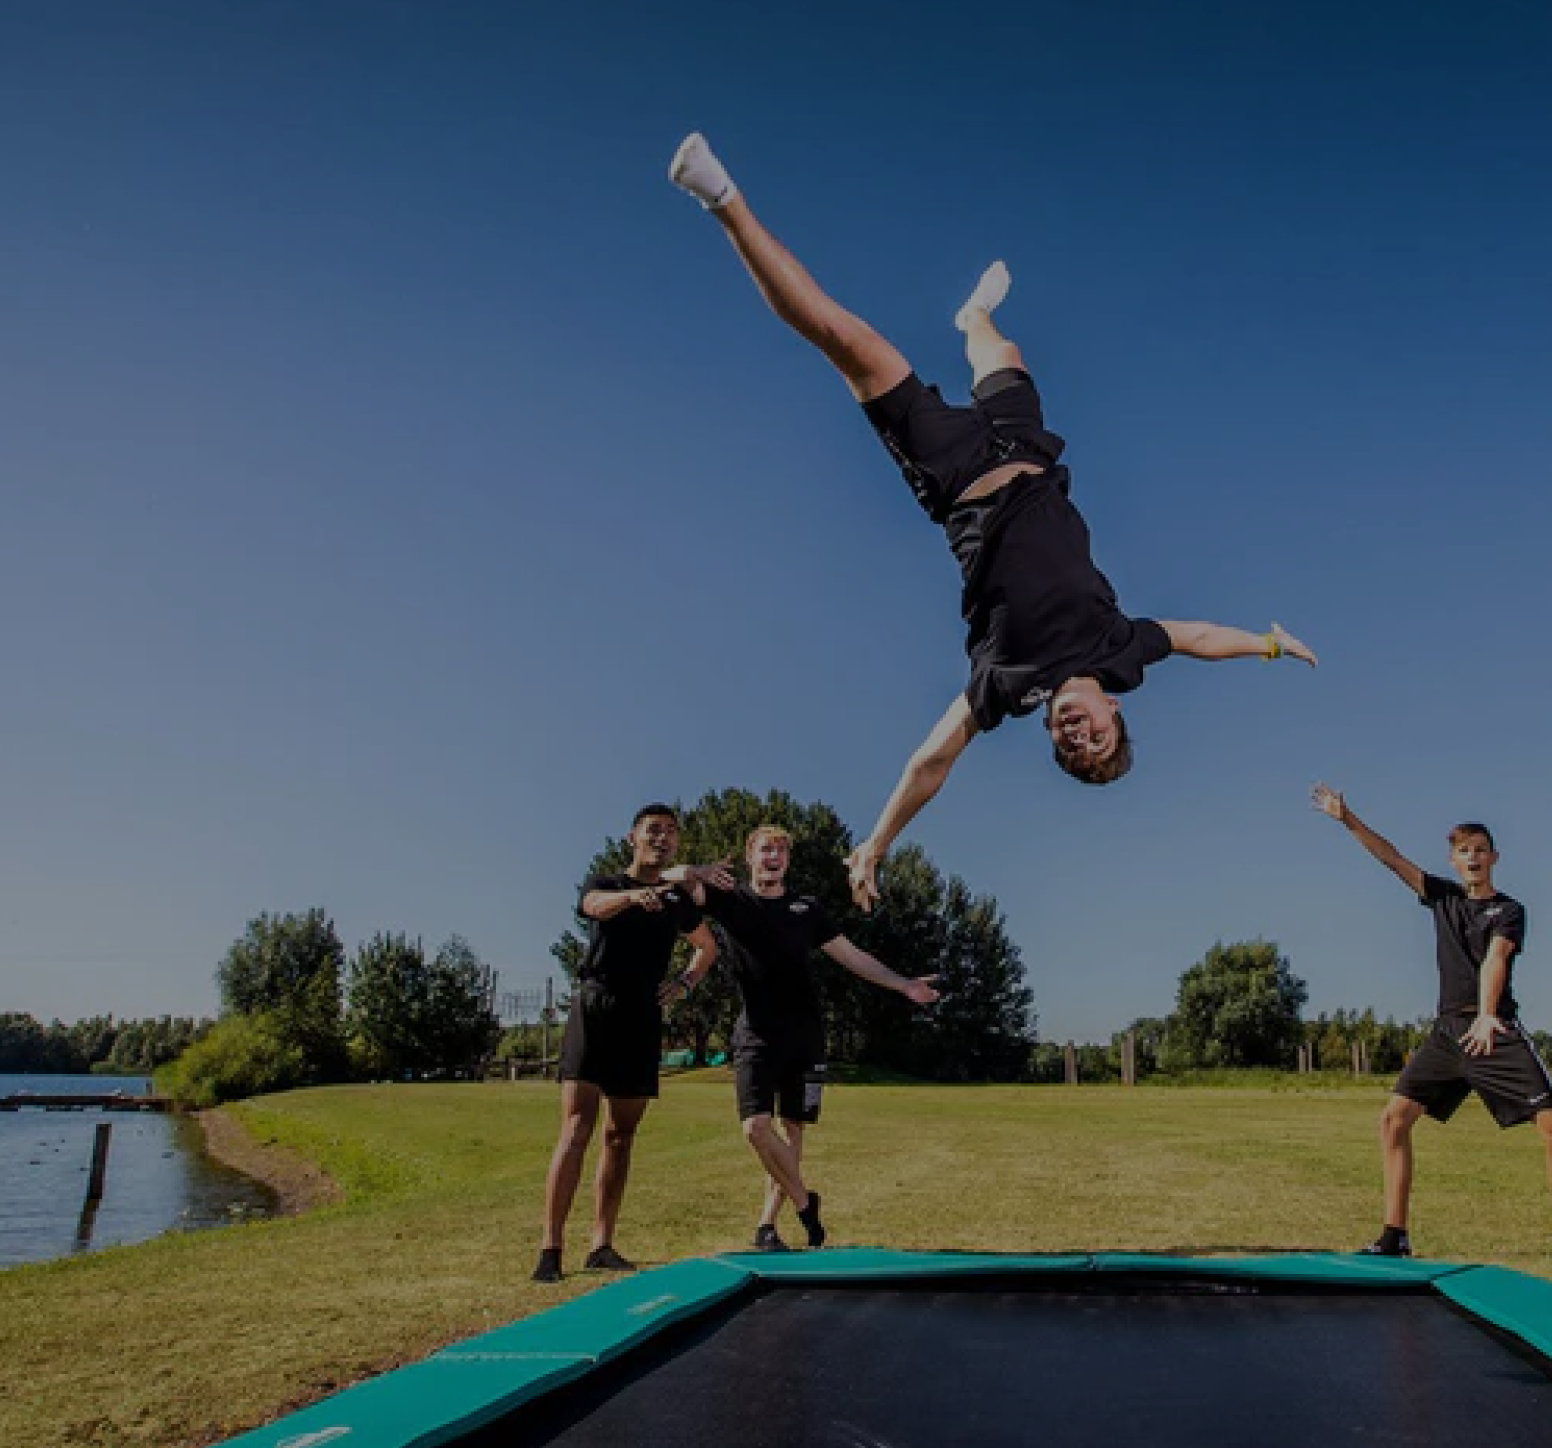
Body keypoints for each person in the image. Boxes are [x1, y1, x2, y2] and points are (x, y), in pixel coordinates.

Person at [667, 132, 1318, 912]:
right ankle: (971, 313)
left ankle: (721, 199)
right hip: (1023, 450)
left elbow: (930, 764)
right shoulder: (1122, 650)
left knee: (844, 341)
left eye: (1069, 749)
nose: (1078, 737)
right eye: (1096, 740)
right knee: (997, 346)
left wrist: (877, 842)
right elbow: (1199, 637)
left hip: (955, 475)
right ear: (1116, 711)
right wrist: (1271, 644)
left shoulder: (1003, 688)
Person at [1309, 784, 1552, 1268]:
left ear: (1494, 857)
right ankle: (1394, 1235)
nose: (1471, 858)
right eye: (1462, 851)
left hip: (1495, 1030)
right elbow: (1390, 859)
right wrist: (1348, 818)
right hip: (1448, 1034)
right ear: (1452, 861)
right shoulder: (1442, 898)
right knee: (1393, 1120)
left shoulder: (1509, 911)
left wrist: (1489, 1014)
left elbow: (1496, 958)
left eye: (1478, 850)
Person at [676, 824, 940, 1250]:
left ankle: (767, 1225)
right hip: (756, 1034)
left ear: (787, 861)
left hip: (804, 1035)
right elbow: (673, 879)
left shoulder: (807, 909)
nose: (774, 855)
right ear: (750, 856)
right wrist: (696, 869)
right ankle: (804, 1201)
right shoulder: (731, 900)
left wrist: (903, 984)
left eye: (781, 850)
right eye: (766, 848)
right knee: (755, 1128)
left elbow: (852, 956)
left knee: (792, 1131)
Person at [533, 803, 733, 1283]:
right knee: (576, 1129)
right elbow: (592, 908)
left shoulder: (678, 901)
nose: (662, 839)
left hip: (641, 1015)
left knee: (620, 1137)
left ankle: (601, 1244)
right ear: (633, 838)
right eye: (653, 831)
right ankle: (550, 1249)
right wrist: (634, 897)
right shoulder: (606, 883)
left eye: (670, 833)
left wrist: (683, 984)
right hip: (596, 1007)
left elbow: (707, 947)